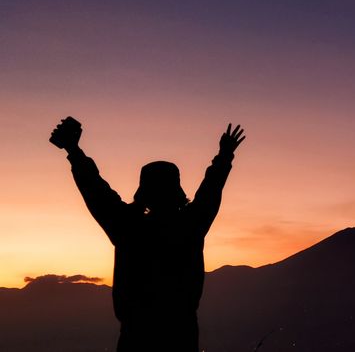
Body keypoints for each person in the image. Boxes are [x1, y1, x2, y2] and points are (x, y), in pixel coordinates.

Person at [49, 117, 245, 352]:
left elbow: (96, 191)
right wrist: (224, 156)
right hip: (181, 335)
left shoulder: (127, 227)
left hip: (136, 336)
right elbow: (210, 190)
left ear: (143, 191)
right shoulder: (190, 225)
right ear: (177, 190)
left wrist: (74, 150)